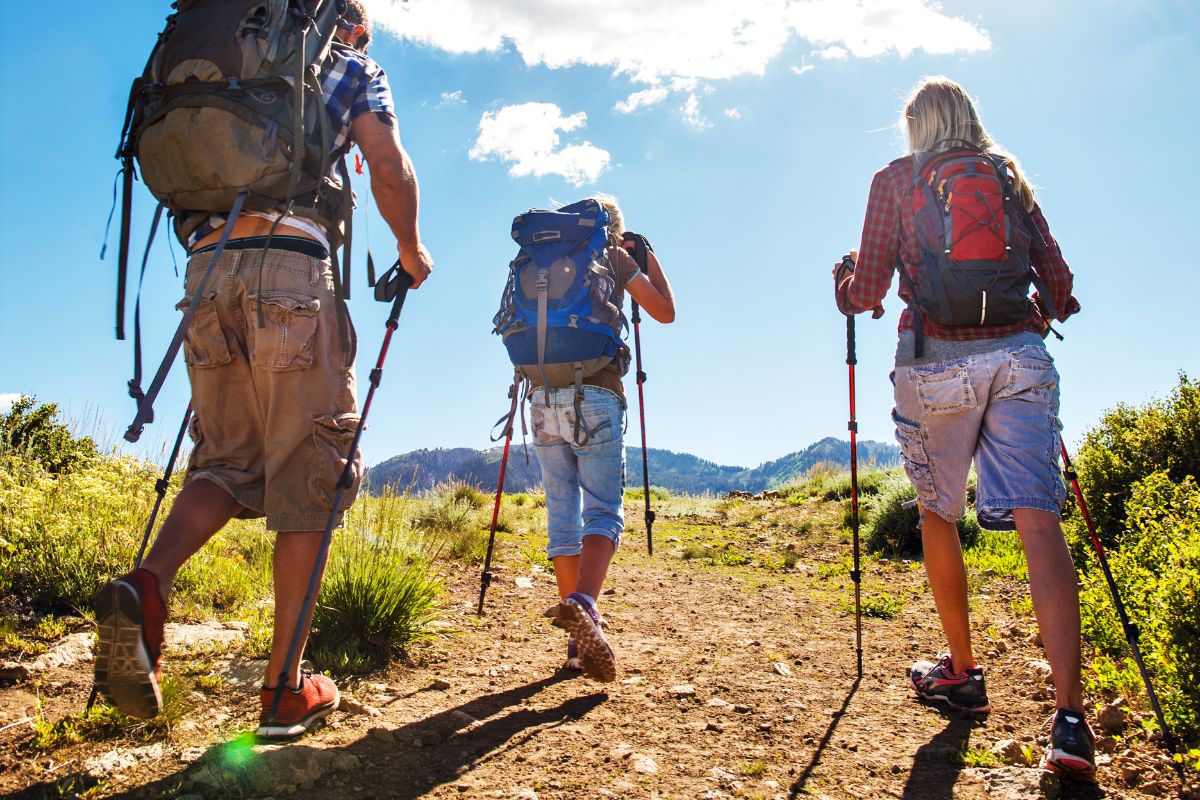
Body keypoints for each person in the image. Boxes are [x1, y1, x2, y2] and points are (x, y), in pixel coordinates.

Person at [92, 1, 434, 739]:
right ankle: (283, 689)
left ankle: (146, 583)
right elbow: (388, 164)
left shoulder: (221, 52)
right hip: (292, 270)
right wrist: (412, 250)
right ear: (346, 22)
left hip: (205, 271)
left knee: (225, 460)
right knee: (314, 470)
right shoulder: (348, 65)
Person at [834, 77, 1094, 779]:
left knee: (938, 513)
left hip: (934, 360)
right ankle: (1069, 720)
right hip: (1019, 356)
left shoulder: (896, 179)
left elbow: (866, 295)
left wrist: (844, 283)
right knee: (1041, 523)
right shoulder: (1010, 181)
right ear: (971, 120)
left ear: (915, 126)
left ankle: (964, 673)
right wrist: (1034, 308)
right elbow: (1062, 289)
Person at [533, 195, 675, 682]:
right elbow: (665, 311)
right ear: (611, 229)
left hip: (541, 395)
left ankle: (577, 644)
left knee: (561, 514)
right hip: (596, 394)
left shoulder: (544, 259)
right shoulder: (612, 256)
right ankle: (584, 605)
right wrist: (645, 256)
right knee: (602, 511)